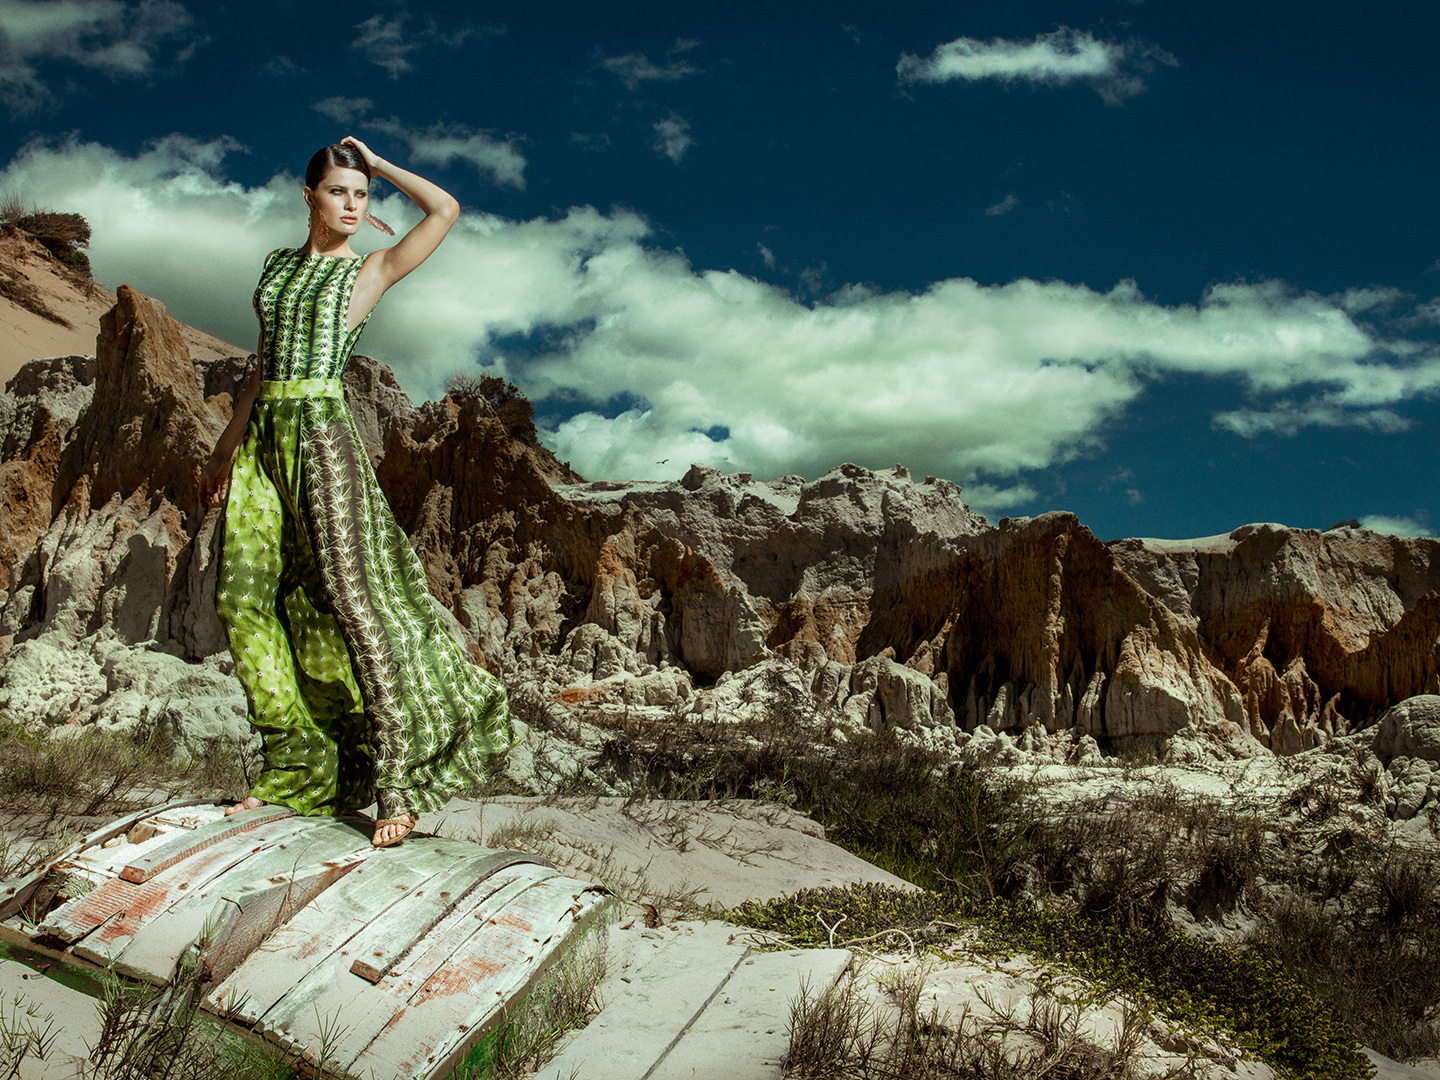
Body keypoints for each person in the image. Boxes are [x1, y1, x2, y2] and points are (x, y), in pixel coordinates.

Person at [199, 136, 513, 848]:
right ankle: (297, 768)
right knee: (242, 599)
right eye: (338, 190)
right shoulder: (277, 267)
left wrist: (380, 165)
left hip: (321, 437)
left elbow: (445, 209)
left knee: (353, 602)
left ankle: (396, 783)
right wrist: (225, 447)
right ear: (308, 196)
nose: (350, 203)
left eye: (360, 195)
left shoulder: (367, 271)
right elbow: (262, 368)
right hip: (263, 442)